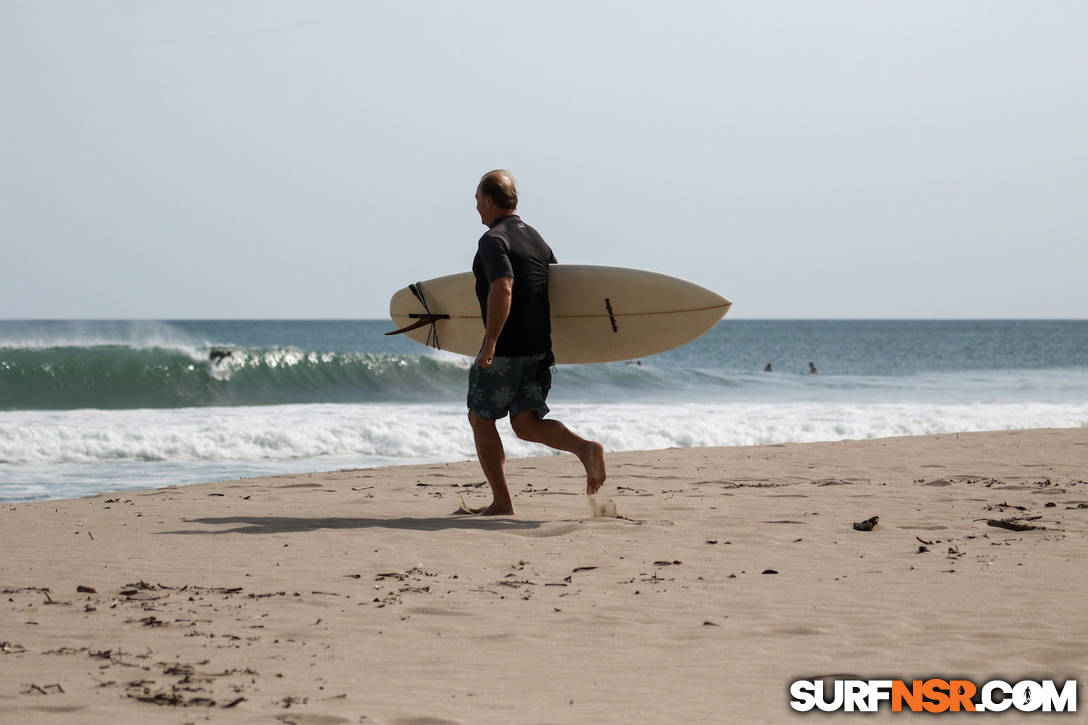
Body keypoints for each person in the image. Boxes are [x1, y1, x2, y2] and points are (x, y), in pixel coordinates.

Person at [466, 170, 606, 516]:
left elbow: (504, 286)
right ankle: (586, 449)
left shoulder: (493, 240)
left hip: (508, 349)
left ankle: (502, 502)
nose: (476, 208)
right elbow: (557, 291)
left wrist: (490, 343)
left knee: (481, 418)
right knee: (525, 424)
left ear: (488, 199)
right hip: (539, 350)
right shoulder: (536, 239)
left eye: (476, 200)